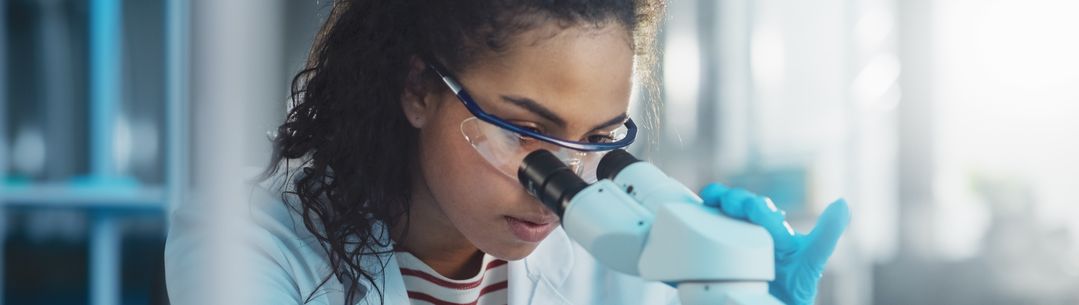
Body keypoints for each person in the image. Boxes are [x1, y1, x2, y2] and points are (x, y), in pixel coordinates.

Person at [165, 0, 851, 304]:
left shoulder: (617, 255)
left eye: (594, 141)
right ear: (418, 89)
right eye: (526, 131)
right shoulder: (245, 239)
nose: (561, 181)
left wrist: (726, 288)